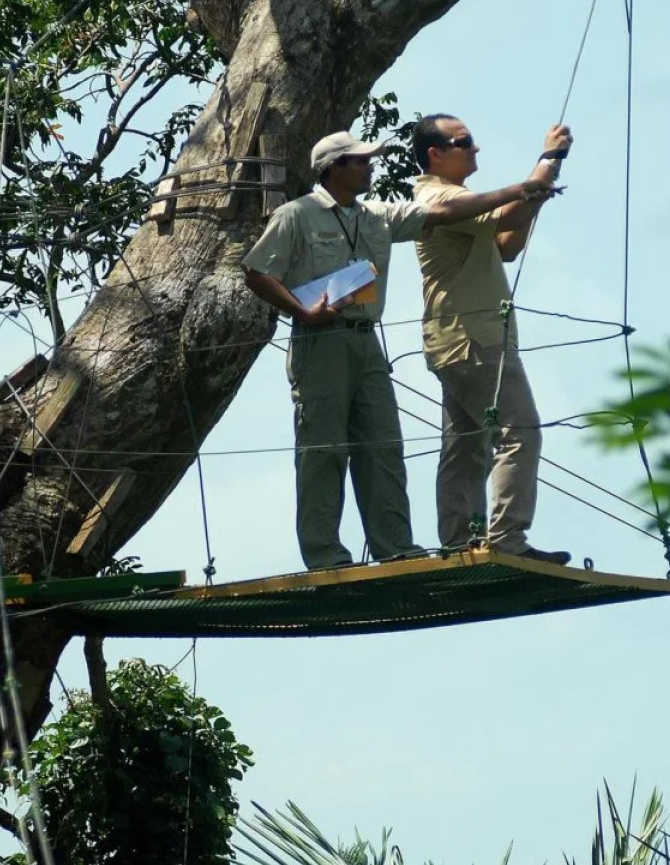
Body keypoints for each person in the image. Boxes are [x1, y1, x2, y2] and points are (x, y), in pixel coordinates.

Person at [243, 130, 554, 571]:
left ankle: (395, 548)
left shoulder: (377, 216)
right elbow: (257, 271)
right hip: (320, 341)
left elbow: (442, 211)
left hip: (367, 338)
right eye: (361, 161)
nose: (371, 166)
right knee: (324, 448)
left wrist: (519, 194)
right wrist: (301, 310)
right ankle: (326, 555)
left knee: (383, 445)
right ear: (335, 167)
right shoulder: (298, 215)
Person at [411, 115, 573, 565]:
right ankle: (507, 539)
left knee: (466, 444)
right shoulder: (439, 196)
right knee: (520, 432)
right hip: (474, 339)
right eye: (464, 142)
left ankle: (460, 541)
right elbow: (509, 211)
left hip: (456, 339)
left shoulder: (456, 199)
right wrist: (549, 158)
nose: (475, 148)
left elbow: (505, 243)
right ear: (435, 154)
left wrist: (536, 193)